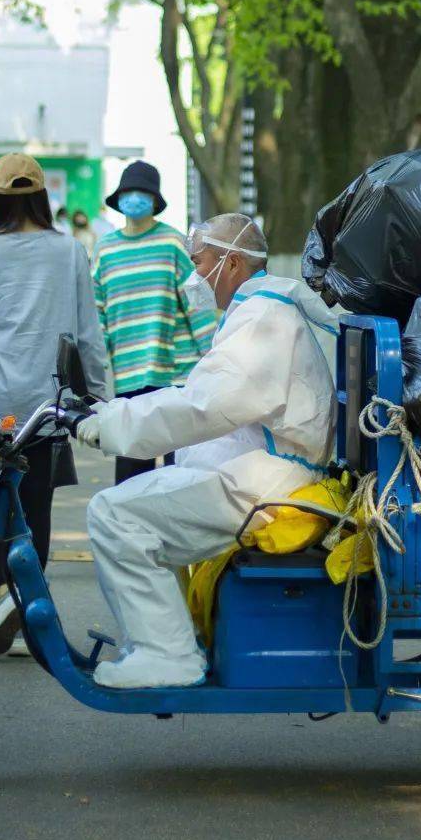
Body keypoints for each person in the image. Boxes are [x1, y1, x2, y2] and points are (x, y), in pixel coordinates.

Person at [66, 212, 337, 690]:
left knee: (114, 514)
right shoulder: (258, 309)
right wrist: (117, 411)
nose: (194, 277)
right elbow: (202, 392)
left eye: (199, 263)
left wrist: (111, 425)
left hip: (269, 481)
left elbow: (203, 405)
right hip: (260, 468)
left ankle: (167, 655)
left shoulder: (264, 317)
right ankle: (172, 640)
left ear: (230, 262)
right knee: (136, 504)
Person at [0, 152, 108, 654]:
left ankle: (5, 595)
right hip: (47, 407)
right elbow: (88, 330)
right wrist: (100, 399)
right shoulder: (68, 251)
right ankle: (25, 608)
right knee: (34, 510)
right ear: (44, 198)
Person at [91, 162, 217, 485]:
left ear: (154, 199)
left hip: (176, 375)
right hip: (128, 378)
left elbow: (197, 306)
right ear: (118, 198)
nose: (134, 198)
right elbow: (98, 314)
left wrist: (213, 359)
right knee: (132, 479)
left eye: (142, 192)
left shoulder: (173, 243)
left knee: (180, 474)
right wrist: (96, 373)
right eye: (129, 192)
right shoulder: (105, 250)